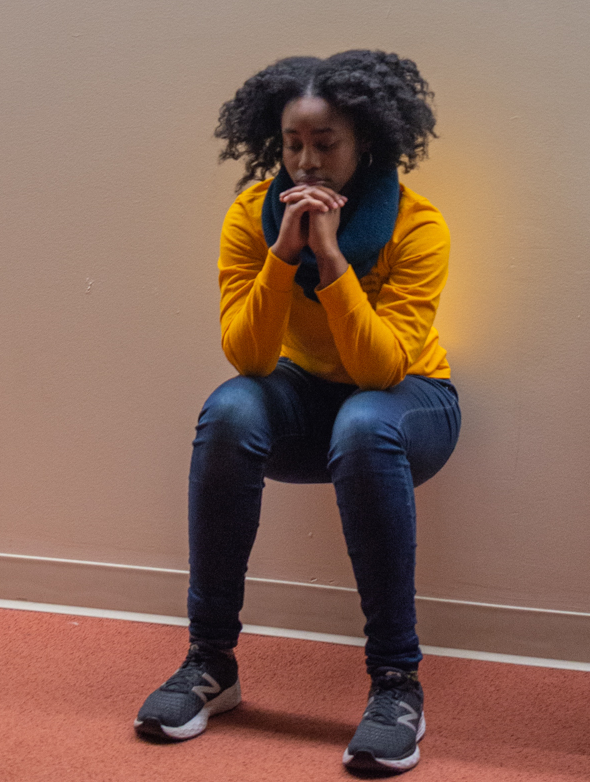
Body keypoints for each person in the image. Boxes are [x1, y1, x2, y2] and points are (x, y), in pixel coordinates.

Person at [135, 50, 460, 773]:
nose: (306, 163)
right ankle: (209, 664)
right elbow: (248, 358)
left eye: (325, 145)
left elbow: (379, 370)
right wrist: (282, 257)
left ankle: (395, 684)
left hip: (412, 406)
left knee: (365, 422)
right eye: (293, 145)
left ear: (365, 142)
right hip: (303, 394)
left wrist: (335, 263)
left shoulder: (416, 224)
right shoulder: (251, 217)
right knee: (228, 411)